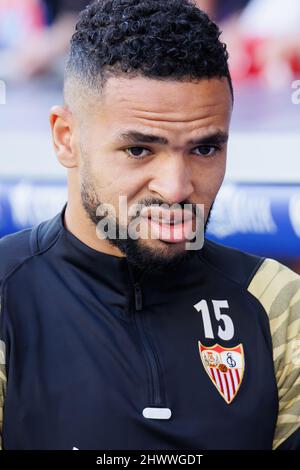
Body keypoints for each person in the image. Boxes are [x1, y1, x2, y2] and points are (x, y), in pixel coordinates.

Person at [0, 0, 299, 450]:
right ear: (66, 138)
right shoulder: (7, 296)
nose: (177, 188)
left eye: (204, 150)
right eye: (140, 150)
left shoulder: (277, 304)